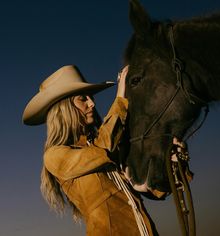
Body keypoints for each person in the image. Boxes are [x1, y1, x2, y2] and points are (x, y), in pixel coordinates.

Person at [22, 65, 159, 236]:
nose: (92, 103)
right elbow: (103, 149)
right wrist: (121, 97)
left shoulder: (101, 146)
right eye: (83, 99)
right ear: (65, 109)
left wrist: (171, 162)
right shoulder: (54, 156)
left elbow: (149, 188)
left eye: (90, 97)